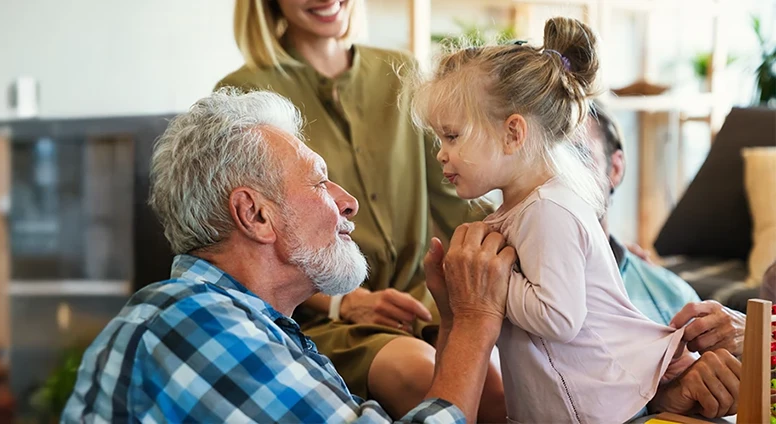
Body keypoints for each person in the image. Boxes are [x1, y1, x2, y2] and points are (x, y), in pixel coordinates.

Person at [63, 88, 512, 422]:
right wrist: (475, 323)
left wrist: (453, 321)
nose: (348, 201)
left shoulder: (246, 325)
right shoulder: (192, 322)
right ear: (255, 215)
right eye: (319, 182)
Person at [410, 17, 711, 422]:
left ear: (512, 134)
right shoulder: (520, 210)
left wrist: (488, 282)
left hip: (597, 412)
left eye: (452, 136)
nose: (441, 154)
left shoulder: (548, 209)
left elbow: (558, 317)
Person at [215, 1, 500, 419]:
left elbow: (459, 199)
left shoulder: (401, 72)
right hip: (328, 320)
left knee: (505, 387)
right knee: (424, 376)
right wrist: (343, 303)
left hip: (424, 302)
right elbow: (242, 244)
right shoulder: (244, 94)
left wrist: (590, 243)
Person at [584, 102, 748, 357]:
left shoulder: (673, 295)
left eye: (580, 157)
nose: (560, 179)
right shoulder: (507, 284)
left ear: (615, 169)